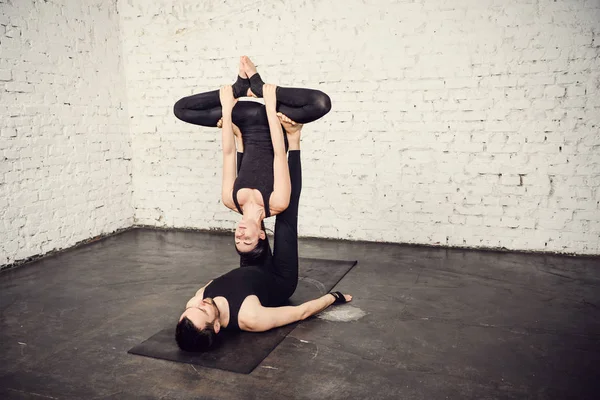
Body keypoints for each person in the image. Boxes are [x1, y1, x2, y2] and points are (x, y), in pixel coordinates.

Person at [175, 114, 352, 352]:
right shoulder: (250, 317)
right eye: (204, 310)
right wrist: (335, 298)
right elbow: (301, 312)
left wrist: (237, 139)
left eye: (193, 308)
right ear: (216, 326)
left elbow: (198, 305)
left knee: (249, 216)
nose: (202, 302)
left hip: (253, 267)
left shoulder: (195, 304)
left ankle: (246, 140)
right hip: (280, 280)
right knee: (286, 217)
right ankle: (295, 139)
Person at [173, 56, 331, 263]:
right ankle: (259, 86)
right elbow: (278, 154)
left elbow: (228, 153)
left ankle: (239, 88)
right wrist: (270, 102)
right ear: (262, 235)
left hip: (245, 123)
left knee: (181, 109)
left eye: (238, 240)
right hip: (274, 121)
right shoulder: (277, 203)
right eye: (247, 240)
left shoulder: (230, 200)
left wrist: (228, 109)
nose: (240, 235)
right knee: (320, 103)